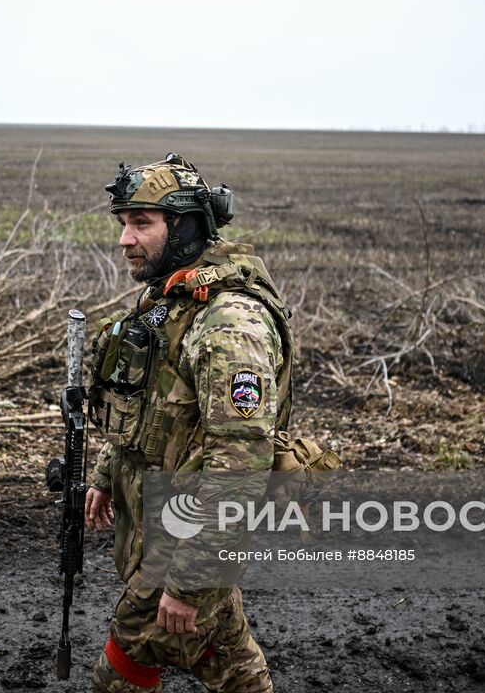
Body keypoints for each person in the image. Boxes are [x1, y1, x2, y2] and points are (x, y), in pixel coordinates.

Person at [85, 153, 293, 693]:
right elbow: (153, 403)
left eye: (141, 224)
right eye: (124, 224)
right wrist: (108, 474)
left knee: (123, 667)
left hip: (185, 540)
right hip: (163, 524)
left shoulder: (229, 324)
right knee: (229, 661)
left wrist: (192, 581)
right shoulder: (171, 299)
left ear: (185, 227)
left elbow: (240, 466)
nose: (125, 240)